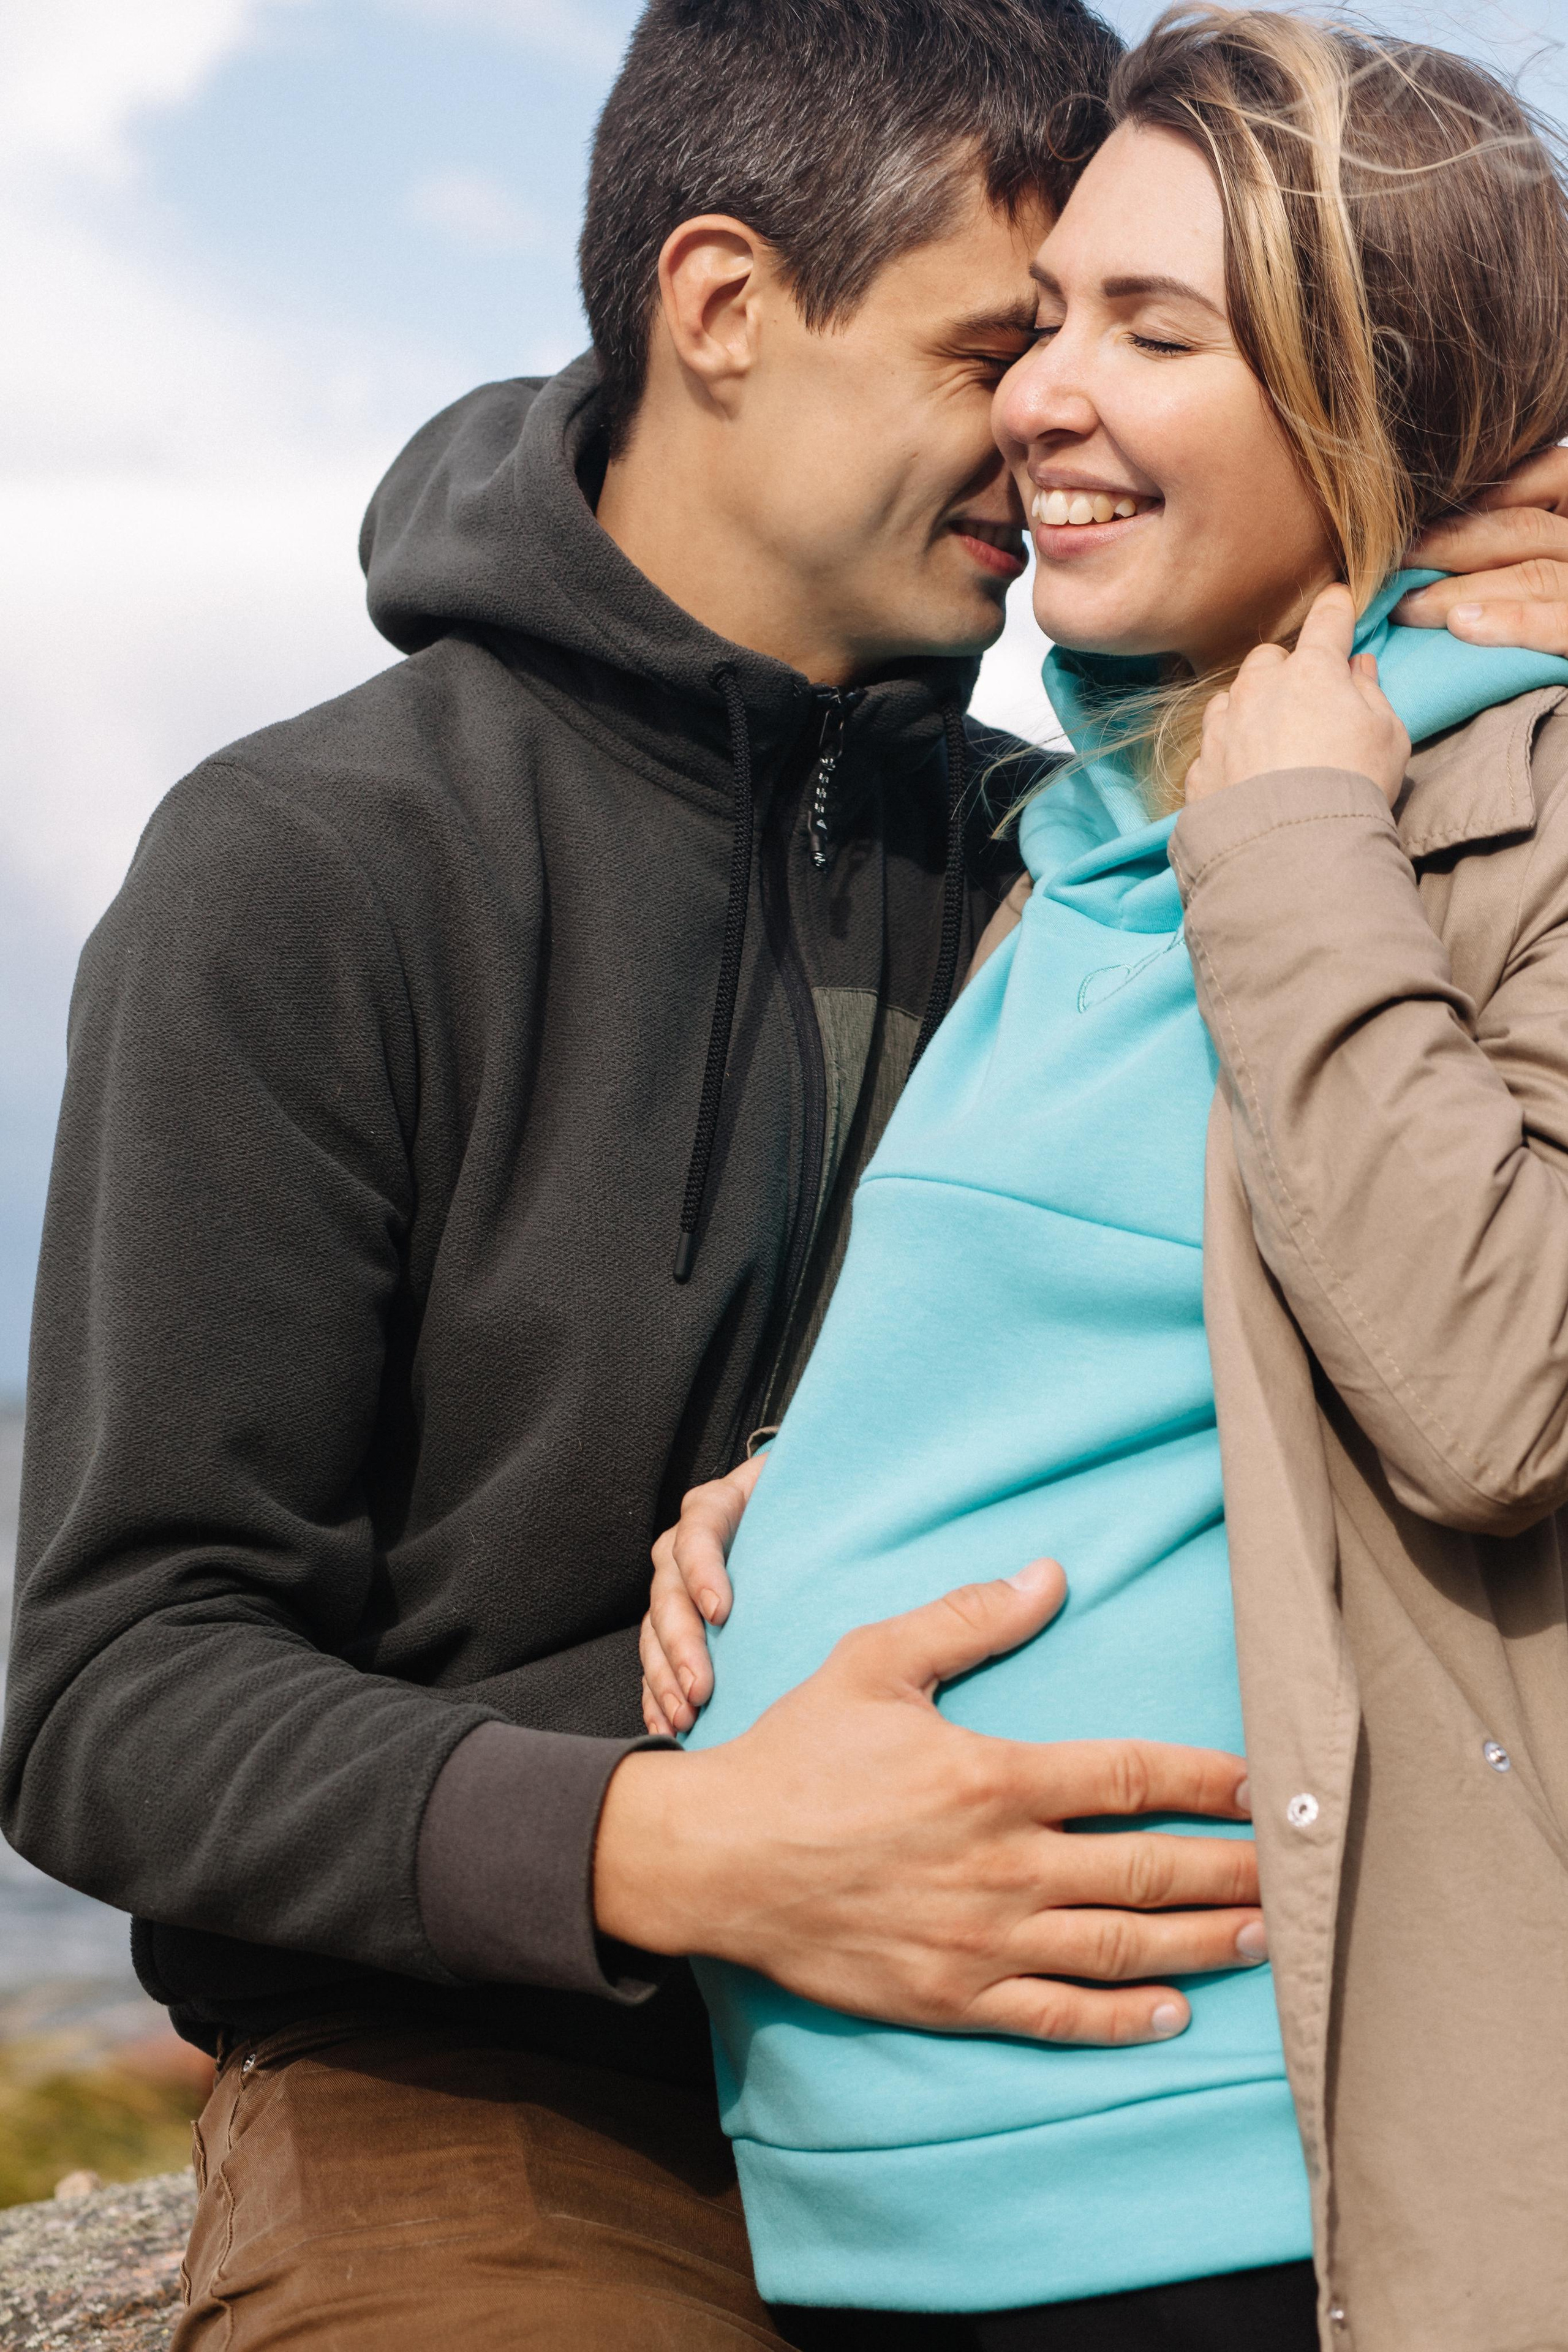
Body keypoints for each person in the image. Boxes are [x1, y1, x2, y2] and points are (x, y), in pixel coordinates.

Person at [3, 2, 1566, 2347]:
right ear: (722, 306)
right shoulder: (312, 864)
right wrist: (686, 1844)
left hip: (1096, 2079)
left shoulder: (1065, 854)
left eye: (1116, 331)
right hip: (499, 2076)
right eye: (998, 339)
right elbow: (111, 1683)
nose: (1048, 414)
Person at [643, 11, 1568, 2351]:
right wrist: (792, 1499)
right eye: (1049, 316)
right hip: (874, 2226)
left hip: (1217, 2198)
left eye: (1154, 329)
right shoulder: (1073, 842)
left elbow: (1494, 1380)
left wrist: (1293, 838)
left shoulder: (1497, 801)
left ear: (1381, 392)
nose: (1040, 391)